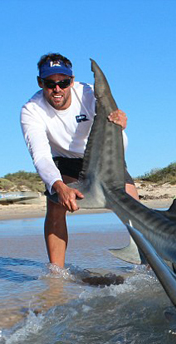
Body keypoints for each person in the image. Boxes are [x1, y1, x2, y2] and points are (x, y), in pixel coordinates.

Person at [20, 53, 139, 268]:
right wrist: (58, 186)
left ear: (71, 81)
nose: (57, 89)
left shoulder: (88, 93)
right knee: (55, 206)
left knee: (134, 207)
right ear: (40, 83)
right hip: (66, 161)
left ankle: (150, 265)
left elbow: (115, 129)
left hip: (104, 157)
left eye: (63, 83)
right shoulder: (31, 110)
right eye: (50, 83)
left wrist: (120, 121)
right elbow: (41, 156)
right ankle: (57, 274)